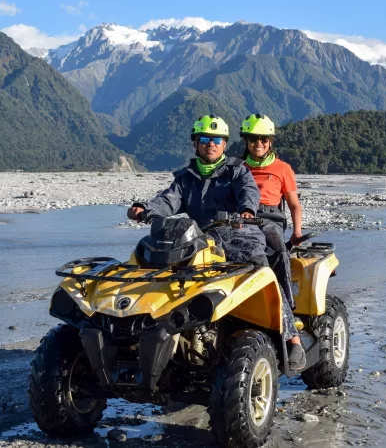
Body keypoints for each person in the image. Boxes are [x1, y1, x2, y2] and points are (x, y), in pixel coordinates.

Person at [128, 114, 305, 370]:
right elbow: (168, 200)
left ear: (224, 145)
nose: (210, 144)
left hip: (240, 236)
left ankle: (292, 338)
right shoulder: (185, 178)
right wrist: (144, 208)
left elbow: (249, 191)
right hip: (201, 240)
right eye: (205, 139)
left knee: (263, 270)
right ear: (195, 143)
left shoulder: (237, 170)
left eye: (216, 140)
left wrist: (247, 209)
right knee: (156, 268)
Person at [238, 113, 306, 367]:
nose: (259, 143)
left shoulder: (282, 169)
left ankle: (292, 335)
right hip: (241, 217)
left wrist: (296, 232)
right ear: (246, 140)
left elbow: (294, 205)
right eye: (254, 138)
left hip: (269, 219)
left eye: (264, 139)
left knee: (277, 250)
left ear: (270, 141)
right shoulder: (236, 167)